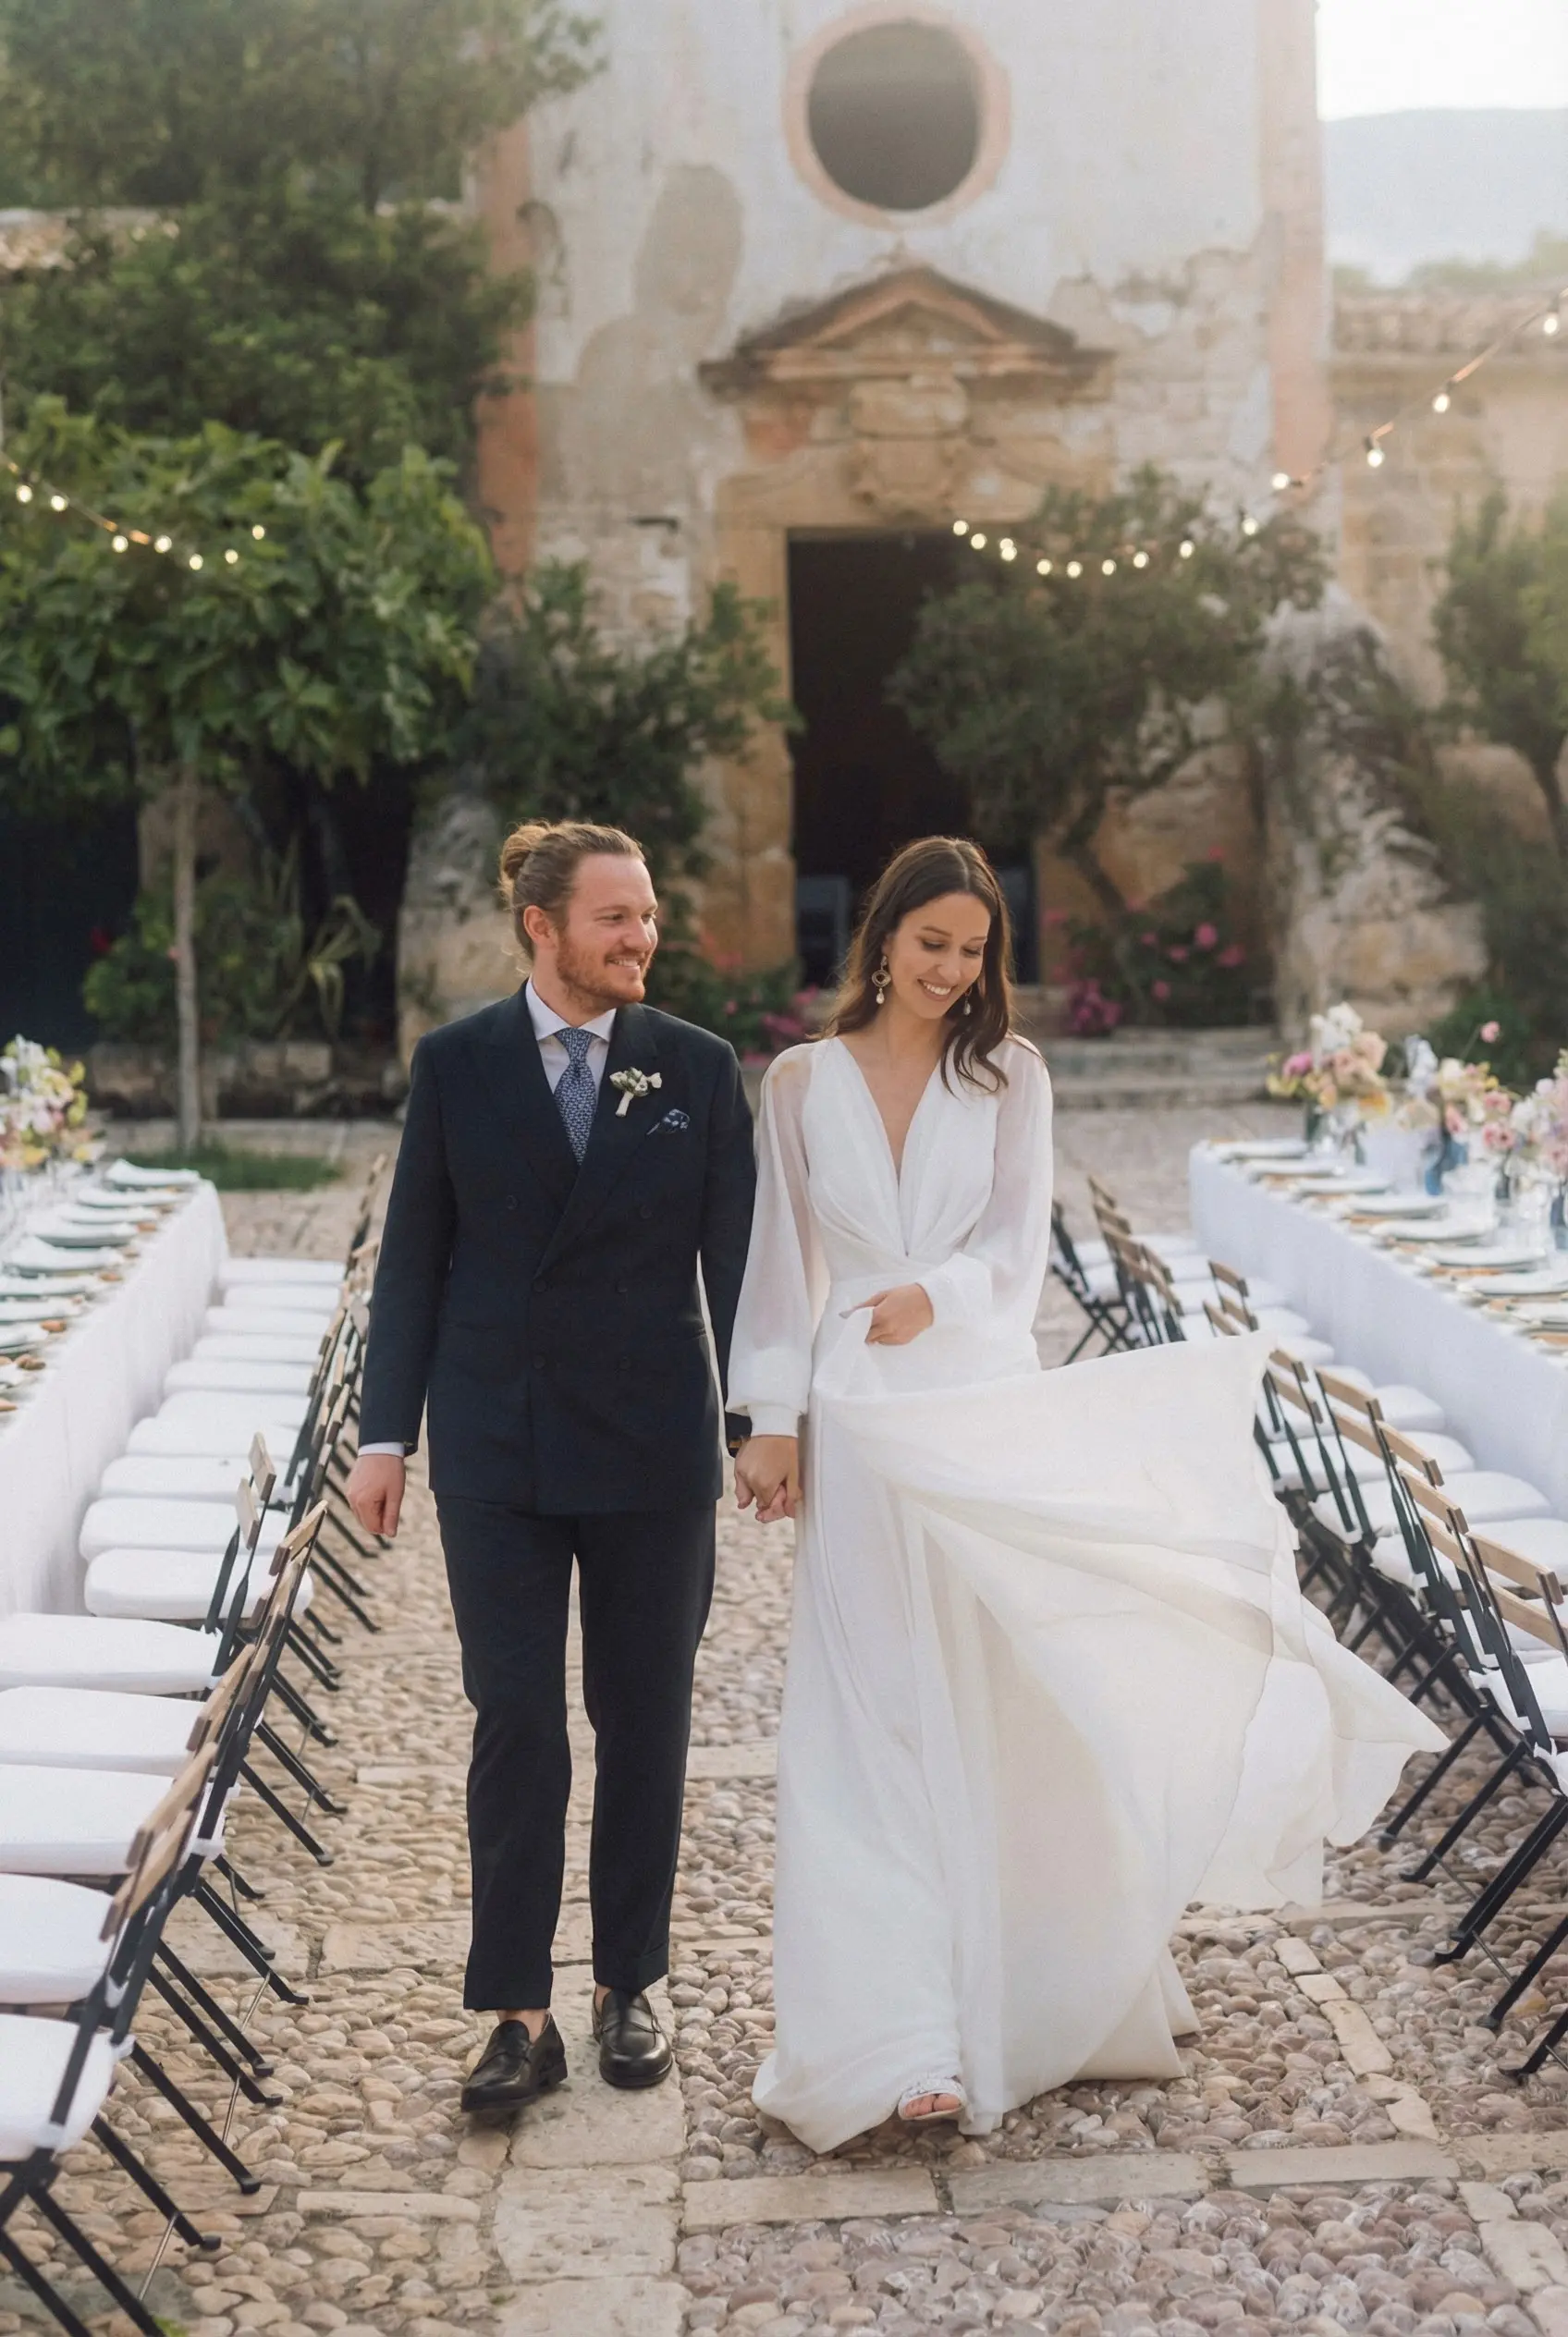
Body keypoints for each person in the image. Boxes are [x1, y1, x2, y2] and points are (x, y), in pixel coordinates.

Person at [729, 835, 1443, 2152]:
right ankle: (893, 2035)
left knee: (999, 1697)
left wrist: (934, 1296)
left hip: (979, 1403)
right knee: (868, 1709)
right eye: (931, 943)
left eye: (973, 950)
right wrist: (771, 1417)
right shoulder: (797, 1082)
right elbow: (780, 1262)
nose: (951, 970)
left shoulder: (1010, 1075)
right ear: (881, 938)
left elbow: (1017, 1255)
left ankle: (1035, 1986)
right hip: (854, 1418)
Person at [348, 820, 756, 2117]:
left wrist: (762, 1421)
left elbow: (742, 1267)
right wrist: (383, 1434)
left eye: (649, 915)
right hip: (498, 1444)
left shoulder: (697, 1067)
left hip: (652, 1447)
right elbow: (413, 1259)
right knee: (516, 1722)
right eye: (615, 918)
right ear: (543, 926)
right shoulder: (455, 1063)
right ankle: (516, 2012)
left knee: (645, 1720)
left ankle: (631, 1982)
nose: (643, 937)